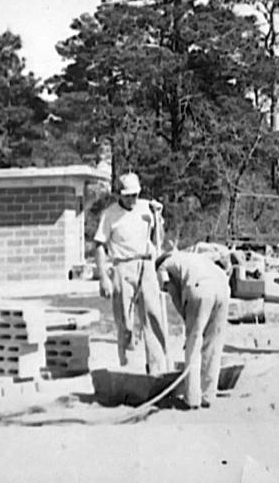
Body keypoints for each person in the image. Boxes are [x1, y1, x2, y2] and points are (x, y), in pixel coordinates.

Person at [95, 172, 168, 374]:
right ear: (120, 194)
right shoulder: (109, 214)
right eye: (128, 195)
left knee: (153, 316)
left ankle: (158, 366)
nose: (132, 199)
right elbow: (99, 245)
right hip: (121, 266)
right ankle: (129, 366)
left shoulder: (147, 208)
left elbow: (157, 237)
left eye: (135, 195)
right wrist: (103, 277)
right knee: (125, 321)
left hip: (145, 263)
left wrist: (158, 217)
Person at [156, 250, 232, 409]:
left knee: (193, 344)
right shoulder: (193, 257)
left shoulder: (163, 266)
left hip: (200, 288)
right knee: (214, 344)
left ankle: (192, 399)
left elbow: (173, 294)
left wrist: (189, 325)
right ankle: (208, 395)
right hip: (223, 287)